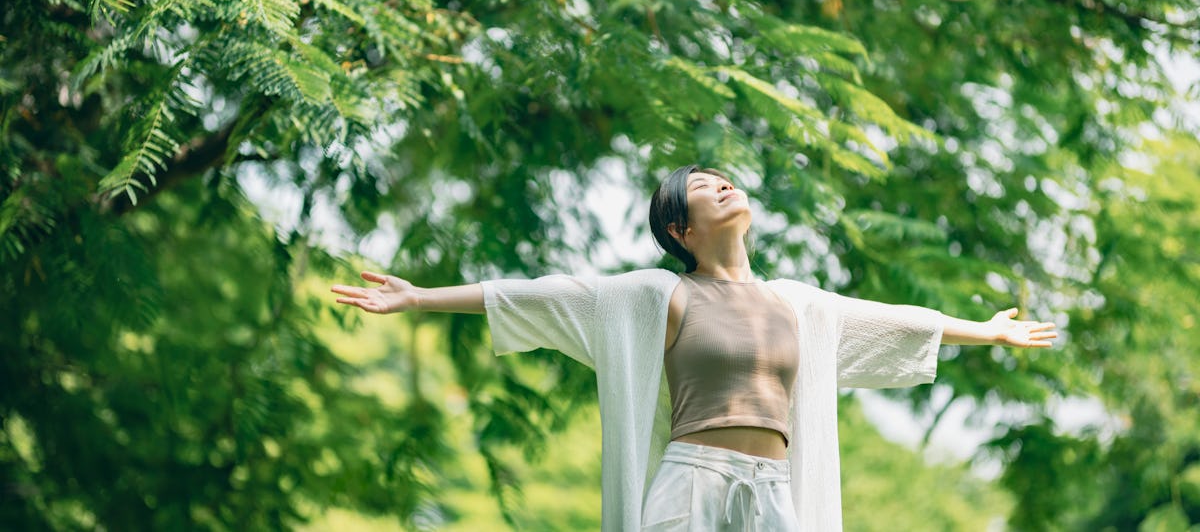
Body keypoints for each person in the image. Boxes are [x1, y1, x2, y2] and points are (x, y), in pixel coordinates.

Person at [331, 164, 1057, 531]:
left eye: (727, 181)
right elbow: (545, 292)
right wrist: (421, 297)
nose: (727, 187)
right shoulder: (656, 296)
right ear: (682, 229)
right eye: (709, 189)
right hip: (693, 477)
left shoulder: (796, 302)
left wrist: (985, 329)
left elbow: (894, 321)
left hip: (773, 487)